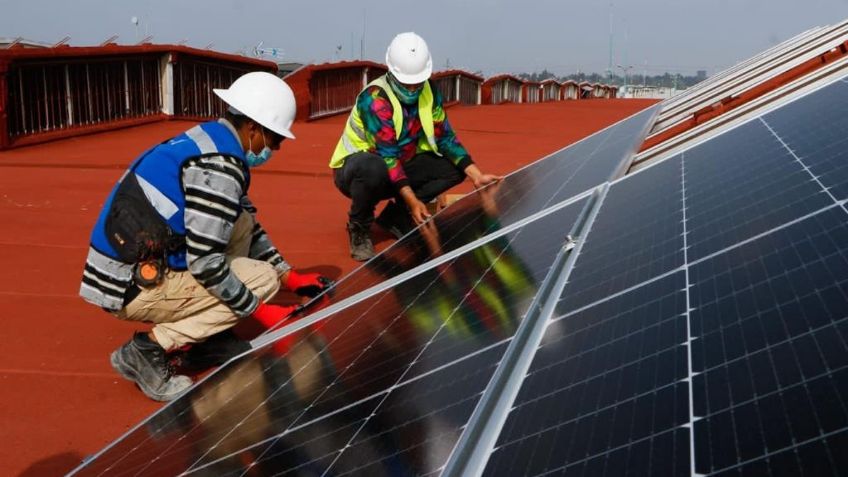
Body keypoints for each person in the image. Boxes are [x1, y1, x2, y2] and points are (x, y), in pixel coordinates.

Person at [79, 71, 332, 401]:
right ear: (253, 128)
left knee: (239, 222)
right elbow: (206, 265)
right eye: (275, 139)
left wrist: (291, 276)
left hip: (127, 269)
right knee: (262, 281)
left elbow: (246, 225)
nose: (275, 148)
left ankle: (207, 339)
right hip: (129, 286)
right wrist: (258, 309)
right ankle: (148, 349)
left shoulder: (209, 139)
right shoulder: (219, 166)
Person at [330, 32, 502, 261]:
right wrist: (415, 201)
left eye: (417, 83)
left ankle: (397, 217)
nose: (412, 89)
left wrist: (476, 175)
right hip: (357, 171)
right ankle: (359, 226)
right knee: (374, 168)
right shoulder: (375, 98)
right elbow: (388, 156)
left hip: (399, 166)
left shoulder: (429, 91)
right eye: (406, 83)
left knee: (454, 167)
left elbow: (446, 138)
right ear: (391, 72)